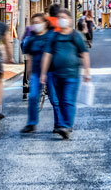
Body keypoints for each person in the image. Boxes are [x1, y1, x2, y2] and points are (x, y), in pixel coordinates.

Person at [40, 9, 91, 139]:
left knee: (68, 100)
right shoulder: (53, 36)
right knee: (59, 101)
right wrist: (43, 73)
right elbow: (47, 54)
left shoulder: (76, 35)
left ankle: (66, 126)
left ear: (70, 20)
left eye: (64, 17)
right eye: (59, 18)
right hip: (56, 75)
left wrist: (87, 72)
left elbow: (84, 54)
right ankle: (62, 124)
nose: (61, 20)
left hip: (72, 75)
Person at [21, 13, 57, 133]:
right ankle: (31, 123)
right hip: (36, 72)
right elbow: (30, 56)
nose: (36, 25)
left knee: (54, 99)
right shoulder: (32, 38)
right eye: (34, 23)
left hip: (51, 72)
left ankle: (59, 124)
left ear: (45, 23)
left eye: (38, 22)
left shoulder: (51, 36)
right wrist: (28, 73)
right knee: (32, 97)